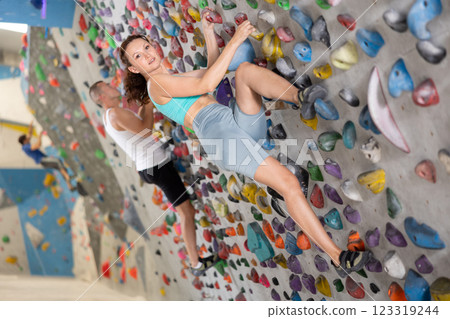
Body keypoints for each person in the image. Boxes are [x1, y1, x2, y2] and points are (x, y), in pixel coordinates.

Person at [118, 10, 373, 277]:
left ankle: (302, 98)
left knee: (245, 72)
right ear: (135, 68)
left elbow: (210, 74)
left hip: (232, 121)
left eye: (146, 46)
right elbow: (209, 81)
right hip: (222, 138)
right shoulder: (156, 84)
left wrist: (208, 33)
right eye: (138, 56)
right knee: (289, 183)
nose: (148, 54)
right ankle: (337, 256)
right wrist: (236, 39)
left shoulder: (170, 76)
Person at [89, 80, 218, 276]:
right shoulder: (114, 113)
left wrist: (144, 105)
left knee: (186, 210)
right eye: (106, 85)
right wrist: (148, 103)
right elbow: (146, 129)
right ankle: (195, 263)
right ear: (101, 97)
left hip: (151, 167)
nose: (111, 84)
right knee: (186, 212)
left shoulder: (110, 115)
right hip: (155, 167)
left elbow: (139, 127)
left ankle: (195, 262)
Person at [18, 121, 74, 191]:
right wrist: (40, 135)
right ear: (24, 141)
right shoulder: (25, 147)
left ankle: (69, 185)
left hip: (44, 159)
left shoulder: (26, 144)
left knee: (61, 168)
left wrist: (31, 125)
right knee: (57, 161)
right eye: (27, 139)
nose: (28, 139)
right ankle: (67, 177)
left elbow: (29, 134)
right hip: (42, 160)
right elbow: (38, 145)